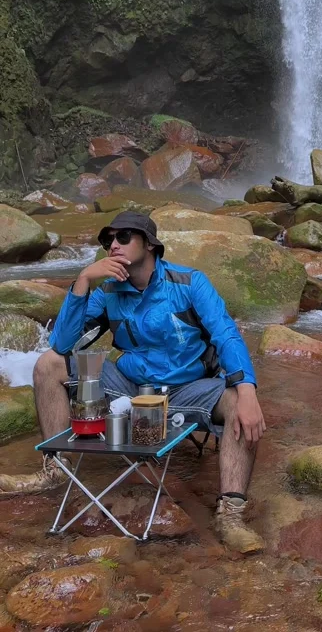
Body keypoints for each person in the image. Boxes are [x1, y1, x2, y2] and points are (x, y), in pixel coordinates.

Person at [0, 211, 266, 553]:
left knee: (237, 399)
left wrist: (247, 390)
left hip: (189, 390)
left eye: (123, 236)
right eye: (108, 239)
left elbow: (226, 334)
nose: (113, 245)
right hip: (129, 388)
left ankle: (230, 514)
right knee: (49, 364)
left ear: (150, 245)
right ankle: (56, 469)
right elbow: (62, 345)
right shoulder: (108, 291)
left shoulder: (189, 283)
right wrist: (83, 281)